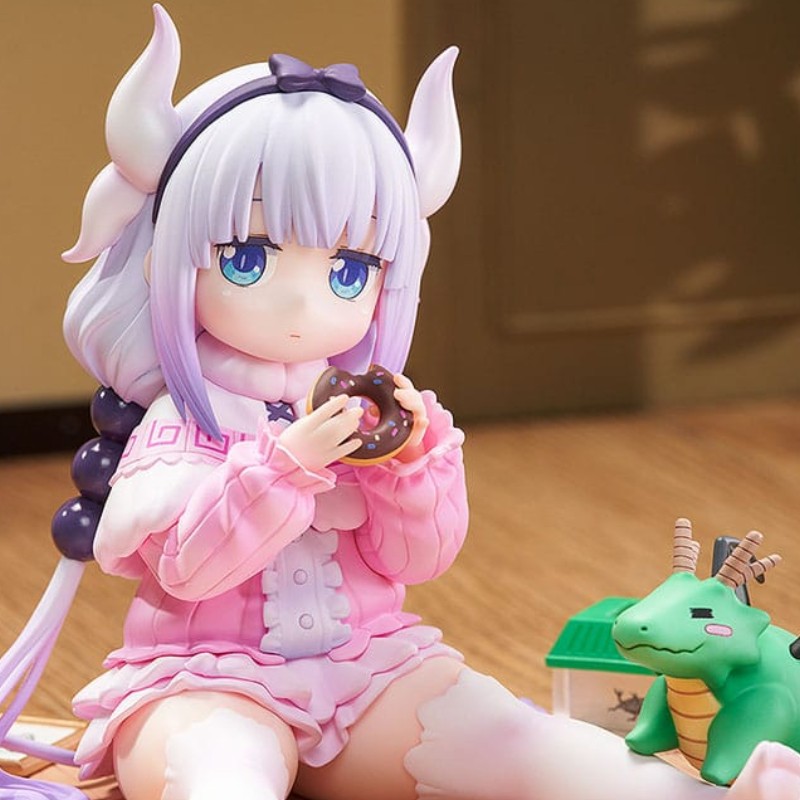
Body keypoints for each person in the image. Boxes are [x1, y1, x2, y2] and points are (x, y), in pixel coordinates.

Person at [13, 5, 800, 799]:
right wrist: (285, 469)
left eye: (349, 271)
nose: (303, 303)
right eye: (248, 257)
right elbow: (188, 572)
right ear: (169, 257)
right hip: (202, 681)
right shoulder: (184, 422)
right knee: (220, 772)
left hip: (368, 673)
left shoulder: (375, 408)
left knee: (517, 741)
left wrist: (411, 467)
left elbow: (419, 559)